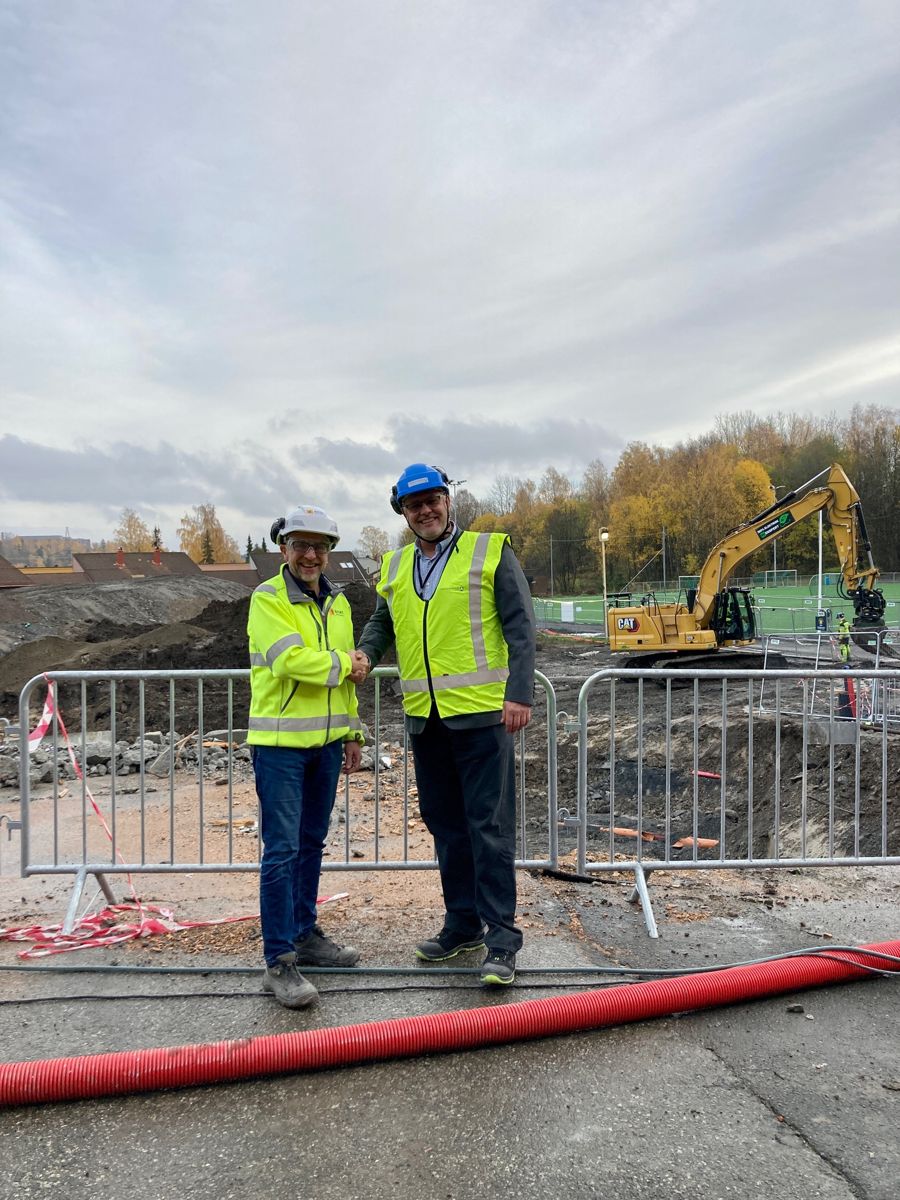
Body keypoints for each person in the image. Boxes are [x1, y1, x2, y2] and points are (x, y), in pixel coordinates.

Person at [355, 464, 536, 986]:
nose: (426, 510)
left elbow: (521, 624)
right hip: (425, 721)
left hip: (482, 717)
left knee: (489, 829)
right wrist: (367, 651)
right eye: (415, 505)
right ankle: (462, 925)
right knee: (447, 827)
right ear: (403, 513)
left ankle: (501, 939)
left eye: (433, 499)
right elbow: (382, 620)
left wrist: (519, 693)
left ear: (447, 501)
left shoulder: (490, 552)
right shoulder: (395, 566)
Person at [247, 504, 369, 1008]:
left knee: (312, 842)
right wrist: (347, 662)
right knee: (281, 851)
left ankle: (304, 933)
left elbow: (343, 684)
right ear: (284, 547)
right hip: (280, 747)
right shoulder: (268, 598)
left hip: (324, 744)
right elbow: (288, 661)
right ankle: (279, 959)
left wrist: (352, 729)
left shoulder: (337, 603)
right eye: (301, 544)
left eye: (320, 546)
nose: (311, 554)